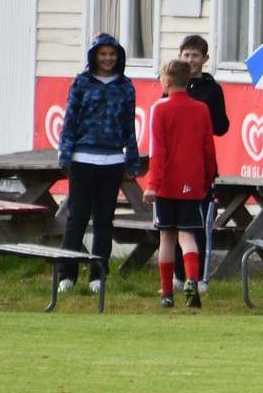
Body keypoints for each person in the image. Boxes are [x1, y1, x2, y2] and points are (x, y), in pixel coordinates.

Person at [56, 33, 140, 295]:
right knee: (77, 218)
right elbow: (70, 120)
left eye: (112, 54)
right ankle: (67, 275)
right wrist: (65, 153)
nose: (107, 59)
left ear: (119, 57)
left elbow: (129, 126)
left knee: (104, 220)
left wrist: (132, 158)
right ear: (94, 56)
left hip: (113, 160)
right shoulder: (81, 83)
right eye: (102, 54)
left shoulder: (126, 86)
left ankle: (98, 275)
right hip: (83, 158)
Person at [143, 60, 218, 309]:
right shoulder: (201, 109)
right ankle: (192, 281)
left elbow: (158, 152)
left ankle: (166, 293)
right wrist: (207, 178)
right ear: (188, 81)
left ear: (165, 81)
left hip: (166, 184)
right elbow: (209, 148)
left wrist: (152, 184)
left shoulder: (159, 109)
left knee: (166, 237)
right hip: (192, 182)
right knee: (188, 236)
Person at [170, 34, 228, 296]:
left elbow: (221, 127)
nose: (190, 60)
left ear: (204, 59)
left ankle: (201, 276)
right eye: (186, 55)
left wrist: (203, 114)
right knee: (173, 223)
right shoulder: (171, 86)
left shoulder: (212, 89)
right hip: (175, 165)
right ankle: (178, 275)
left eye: (195, 55)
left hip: (202, 167)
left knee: (200, 223)